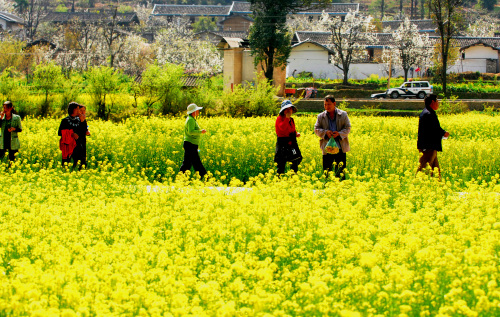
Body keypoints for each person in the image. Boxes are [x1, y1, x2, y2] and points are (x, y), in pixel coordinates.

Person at [314, 95, 351, 180]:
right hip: (327, 147)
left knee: (341, 172)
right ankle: (327, 188)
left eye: (329, 104)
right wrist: (325, 133)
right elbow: (316, 129)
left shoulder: (343, 114)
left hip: (340, 146)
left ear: (334, 104)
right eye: (325, 104)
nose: (327, 107)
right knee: (327, 171)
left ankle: (340, 188)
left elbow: (348, 128)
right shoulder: (320, 116)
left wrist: (339, 134)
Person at [417, 94, 450, 177]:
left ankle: (438, 187)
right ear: (433, 102)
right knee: (423, 168)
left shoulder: (427, 112)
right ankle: (416, 184)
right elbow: (434, 129)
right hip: (428, 146)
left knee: (435, 170)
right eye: (437, 101)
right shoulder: (429, 114)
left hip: (430, 146)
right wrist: (443, 133)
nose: (438, 104)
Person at [179, 103, 207, 179]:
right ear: (193, 111)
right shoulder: (191, 120)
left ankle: (181, 179)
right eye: (197, 110)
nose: (198, 111)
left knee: (188, 163)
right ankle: (205, 177)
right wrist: (200, 131)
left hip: (191, 144)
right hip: (190, 144)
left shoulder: (191, 119)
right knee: (196, 162)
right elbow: (191, 131)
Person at [274, 100, 302, 174]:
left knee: (296, 159)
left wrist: (296, 133)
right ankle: (279, 179)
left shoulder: (291, 119)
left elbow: (292, 129)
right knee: (281, 163)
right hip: (282, 143)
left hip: (292, 143)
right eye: (287, 109)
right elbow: (282, 128)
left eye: (290, 108)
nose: (289, 110)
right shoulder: (279, 119)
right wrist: (286, 118)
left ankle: (293, 177)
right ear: (283, 110)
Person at [58, 102, 81, 168]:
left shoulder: (79, 120)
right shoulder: (65, 121)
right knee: (66, 162)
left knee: (76, 162)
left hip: (77, 144)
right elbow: (60, 133)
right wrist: (71, 134)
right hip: (67, 145)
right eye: (77, 109)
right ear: (73, 109)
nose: (78, 111)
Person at [72, 104, 91, 169]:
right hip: (75, 142)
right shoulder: (74, 119)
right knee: (76, 157)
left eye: (84, 110)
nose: (83, 112)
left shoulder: (83, 119)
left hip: (82, 140)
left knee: (83, 156)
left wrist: (87, 131)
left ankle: (82, 169)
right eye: (81, 110)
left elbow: (85, 128)